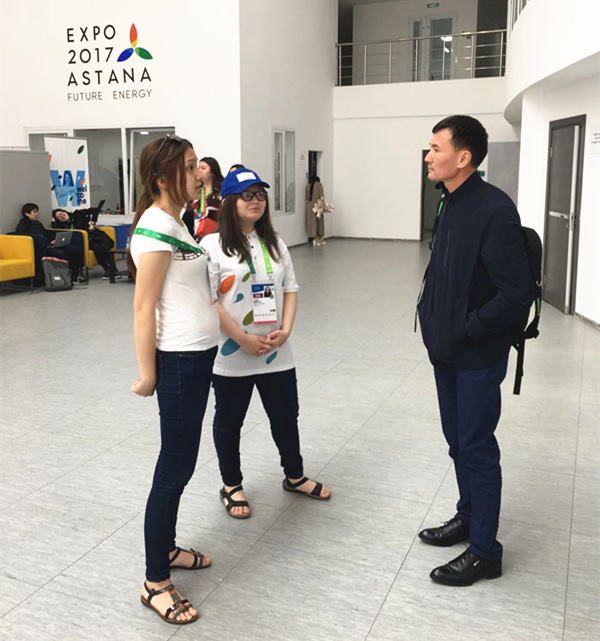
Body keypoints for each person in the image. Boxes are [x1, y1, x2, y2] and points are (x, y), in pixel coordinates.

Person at [416, 115, 534, 586]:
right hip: (446, 349)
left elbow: (516, 292)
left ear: (463, 157)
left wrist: (468, 329)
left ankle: (486, 552)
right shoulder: (450, 201)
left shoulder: (494, 209)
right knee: (457, 442)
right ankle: (468, 516)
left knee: (477, 447)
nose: (428, 157)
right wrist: (434, 321)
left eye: (436, 148)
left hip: (476, 355)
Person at [200, 167, 331, 519]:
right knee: (230, 421)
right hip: (232, 353)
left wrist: (285, 330)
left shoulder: (275, 242)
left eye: (260, 195)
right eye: (247, 195)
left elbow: (290, 289)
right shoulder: (211, 246)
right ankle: (231, 485)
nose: (256, 201)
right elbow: (209, 300)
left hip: (276, 351)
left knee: (286, 416)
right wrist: (242, 339)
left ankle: (294, 475)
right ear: (229, 201)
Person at [128, 134, 219, 624]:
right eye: (189, 167)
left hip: (198, 356)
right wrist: (148, 373)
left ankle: (166, 548)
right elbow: (144, 306)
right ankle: (155, 581)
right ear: (163, 178)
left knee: (182, 461)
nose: (199, 173)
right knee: (174, 466)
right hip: (179, 361)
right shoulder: (155, 227)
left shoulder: (178, 221)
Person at [17, 203, 85, 283]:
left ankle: (75, 274)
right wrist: (48, 243)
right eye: (34, 212)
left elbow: (45, 234)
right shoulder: (23, 224)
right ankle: (64, 277)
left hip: (49, 244)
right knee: (60, 253)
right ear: (27, 213)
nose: (36, 214)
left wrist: (53, 241)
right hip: (41, 248)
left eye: (37, 212)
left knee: (73, 250)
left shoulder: (37, 223)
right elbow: (23, 237)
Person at [182, 156, 223, 240]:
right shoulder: (194, 192)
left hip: (216, 236)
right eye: (198, 168)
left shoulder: (220, 192)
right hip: (195, 235)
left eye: (203, 168)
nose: (199, 171)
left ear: (212, 172)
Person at [305, 175, 325, 246]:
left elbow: (306, 198)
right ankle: (319, 239)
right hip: (318, 206)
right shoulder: (319, 185)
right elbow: (322, 196)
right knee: (319, 222)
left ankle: (314, 239)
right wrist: (324, 206)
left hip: (310, 207)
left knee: (312, 223)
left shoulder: (307, 186)